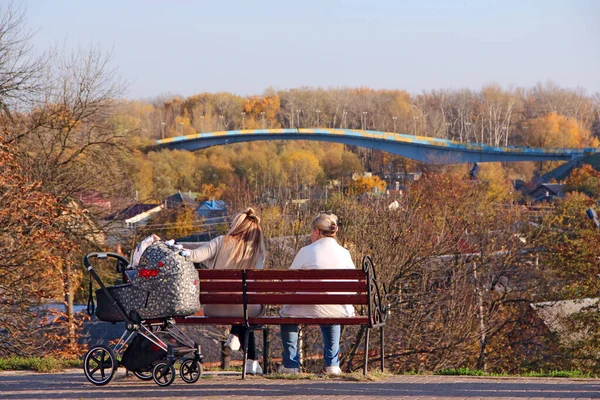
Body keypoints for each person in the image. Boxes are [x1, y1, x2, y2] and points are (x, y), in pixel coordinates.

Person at [182, 207, 266, 375]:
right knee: (246, 309)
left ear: (236, 226)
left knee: (241, 309)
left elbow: (193, 256)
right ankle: (245, 351)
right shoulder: (259, 250)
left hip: (214, 307)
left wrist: (173, 247)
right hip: (246, 308)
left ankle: (248, 356)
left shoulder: (221, 241)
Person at [278, 213, 356, 375]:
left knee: (287, 315)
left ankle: (291, 365)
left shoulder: (306, 251)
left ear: (318, 232)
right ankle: (332, 365)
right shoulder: (345, 253)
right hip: (339, 308)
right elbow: (353, 288)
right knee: (332, 313)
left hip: (306, 307)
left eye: (312, 231)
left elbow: (289, 284)